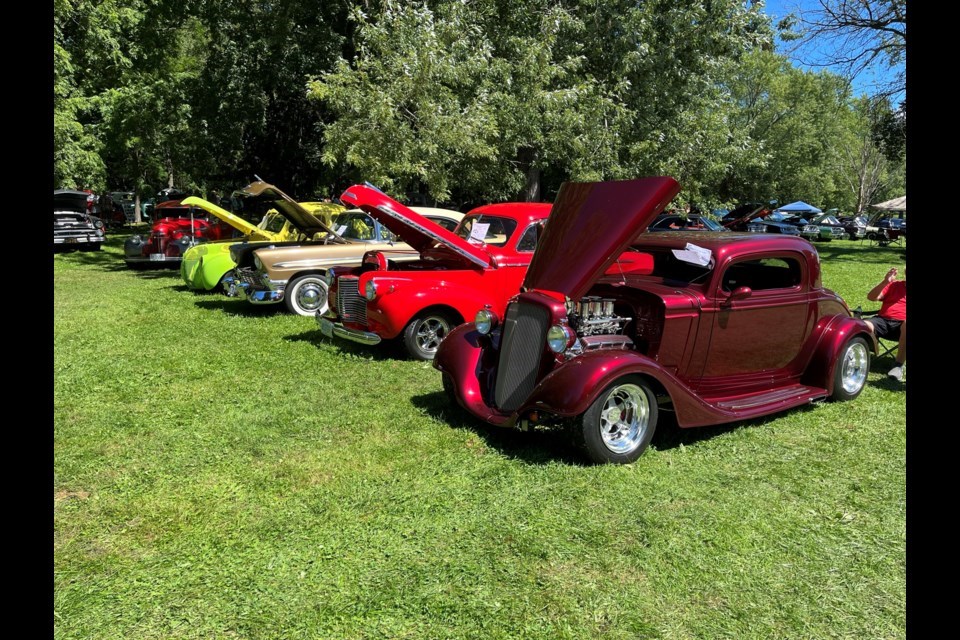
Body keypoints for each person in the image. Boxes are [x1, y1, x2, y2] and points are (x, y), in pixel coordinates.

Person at [864, 266, 906, 381]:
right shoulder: (894, 285)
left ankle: (898, 366)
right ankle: (858, 358)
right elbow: (871, 297)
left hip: (903, 327)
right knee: (863, 325)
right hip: (882, 320)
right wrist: (885, 282)